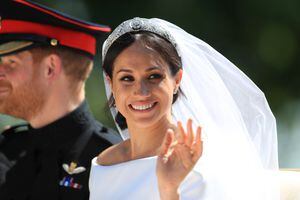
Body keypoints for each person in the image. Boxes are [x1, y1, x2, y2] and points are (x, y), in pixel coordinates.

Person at [89, 17, 280, 200]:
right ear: (111, 83)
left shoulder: (205, 161)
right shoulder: (104, 164)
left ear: (177, 80)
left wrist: (169, 190)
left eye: (154, 76)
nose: (141, 91)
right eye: (127, 78)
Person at [0, 0, 121, 199]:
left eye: (11, 62)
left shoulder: (112, 162)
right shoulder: (8, 149)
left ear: (50, 68)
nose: (0, 72)